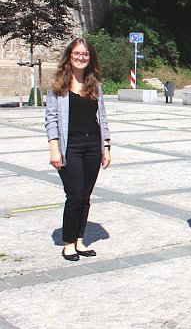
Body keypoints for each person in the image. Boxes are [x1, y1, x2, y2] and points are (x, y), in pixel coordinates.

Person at [45, 38, 111, 261]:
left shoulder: (95, 85)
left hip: (92, 145)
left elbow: (102, 118)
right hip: (69, 146)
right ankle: (68, 243)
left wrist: (107, 147)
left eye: (85, 54)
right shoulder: (59, 86)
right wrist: (54, 148)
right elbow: (51, 119)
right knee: (74, 195)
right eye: (76, 54)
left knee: (85, 196)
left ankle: (80, 241)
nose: (81, 58)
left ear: (90, 58)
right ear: (69, 57)